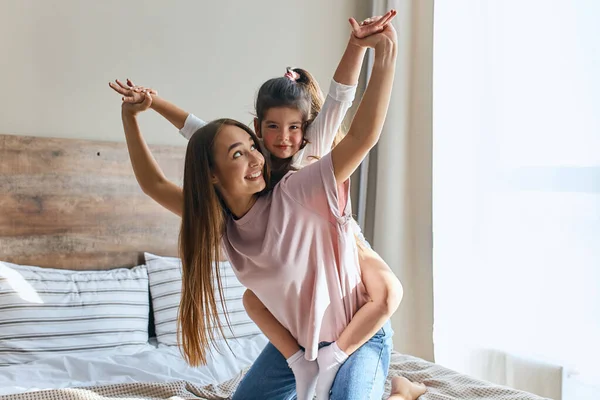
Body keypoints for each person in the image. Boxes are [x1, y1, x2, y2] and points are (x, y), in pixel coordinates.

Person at [113, 11, 425, 400]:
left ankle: (402, 392)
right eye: (241, 152)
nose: (259, 155)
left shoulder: (299, 181)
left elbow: (356, 128)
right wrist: (136, 114)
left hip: (355, 324)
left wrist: (381, 55)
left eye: (251, 150)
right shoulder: (221, 218)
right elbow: (163, 175)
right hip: (300, 337)